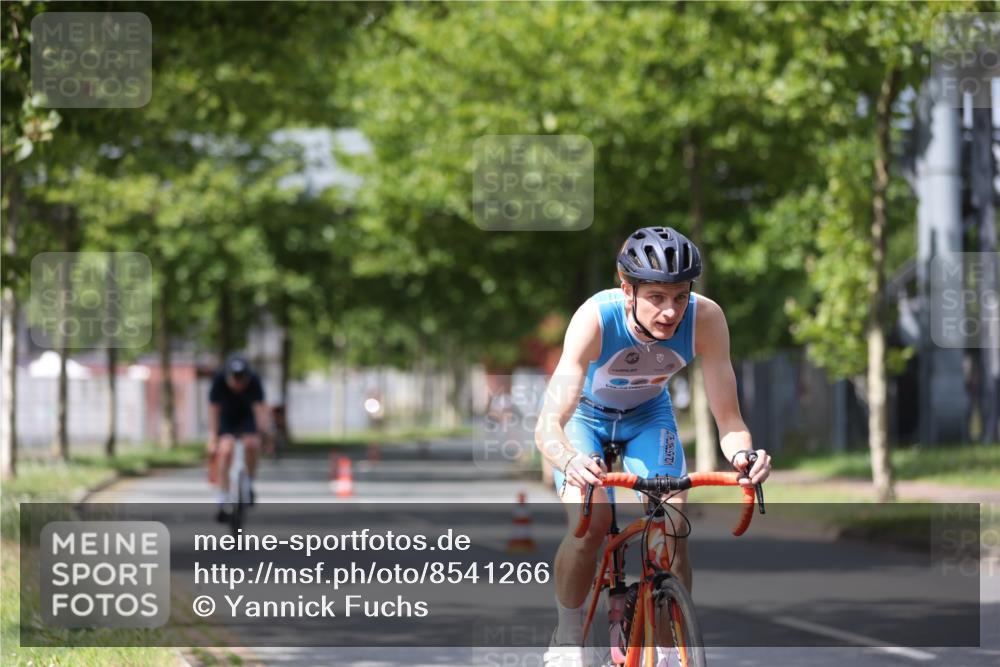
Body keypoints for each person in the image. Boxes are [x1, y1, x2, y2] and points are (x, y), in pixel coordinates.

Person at [535, 226, 772, 667]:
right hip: (584, 419)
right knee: (591, 522)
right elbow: (549, 425)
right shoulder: (595, 319)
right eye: (657, 297)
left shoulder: (707, 319)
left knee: (672, 526)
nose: (670, 312)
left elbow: (730, 420)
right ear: (628, 290)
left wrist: (744, 455)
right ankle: (567, 637)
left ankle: (666, 649)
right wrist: (569, 459)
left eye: (680, 296)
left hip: (648, 415)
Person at [207, 353, 270, 522]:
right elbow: (213, 410)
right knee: (225, 450)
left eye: (241, 378)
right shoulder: (219, 380)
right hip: (226, 417)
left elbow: (260, 409)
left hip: (246, 416)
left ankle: (248, 484)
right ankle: (222, 497)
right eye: (234, 378)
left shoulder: (254, 381)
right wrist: (213, 437)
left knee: (251, 444)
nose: (238, 382)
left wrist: (263, 433)